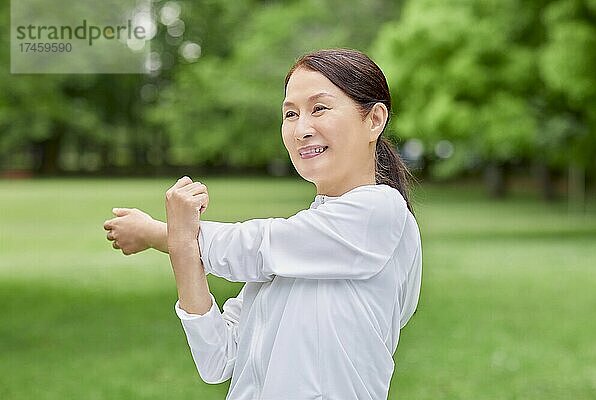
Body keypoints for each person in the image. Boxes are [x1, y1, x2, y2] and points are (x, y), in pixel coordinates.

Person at [103, 48, 422, 400]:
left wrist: (157, 233)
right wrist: (180, 246)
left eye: (319, 108)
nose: (302, 129)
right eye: (290, 113)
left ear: (374, 119)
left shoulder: (380, 212)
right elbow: (218, 360)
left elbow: (253, 247)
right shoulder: (292, 254)